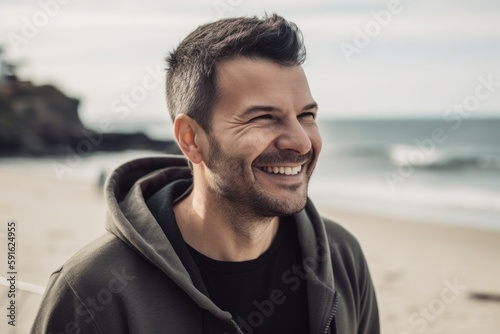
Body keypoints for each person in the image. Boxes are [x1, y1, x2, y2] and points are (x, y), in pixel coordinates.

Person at [32, 14, 379, 334]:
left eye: (306, 116)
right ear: (191, 139)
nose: (301, 142)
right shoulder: (91, 292)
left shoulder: (340, 255)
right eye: (263, 118)